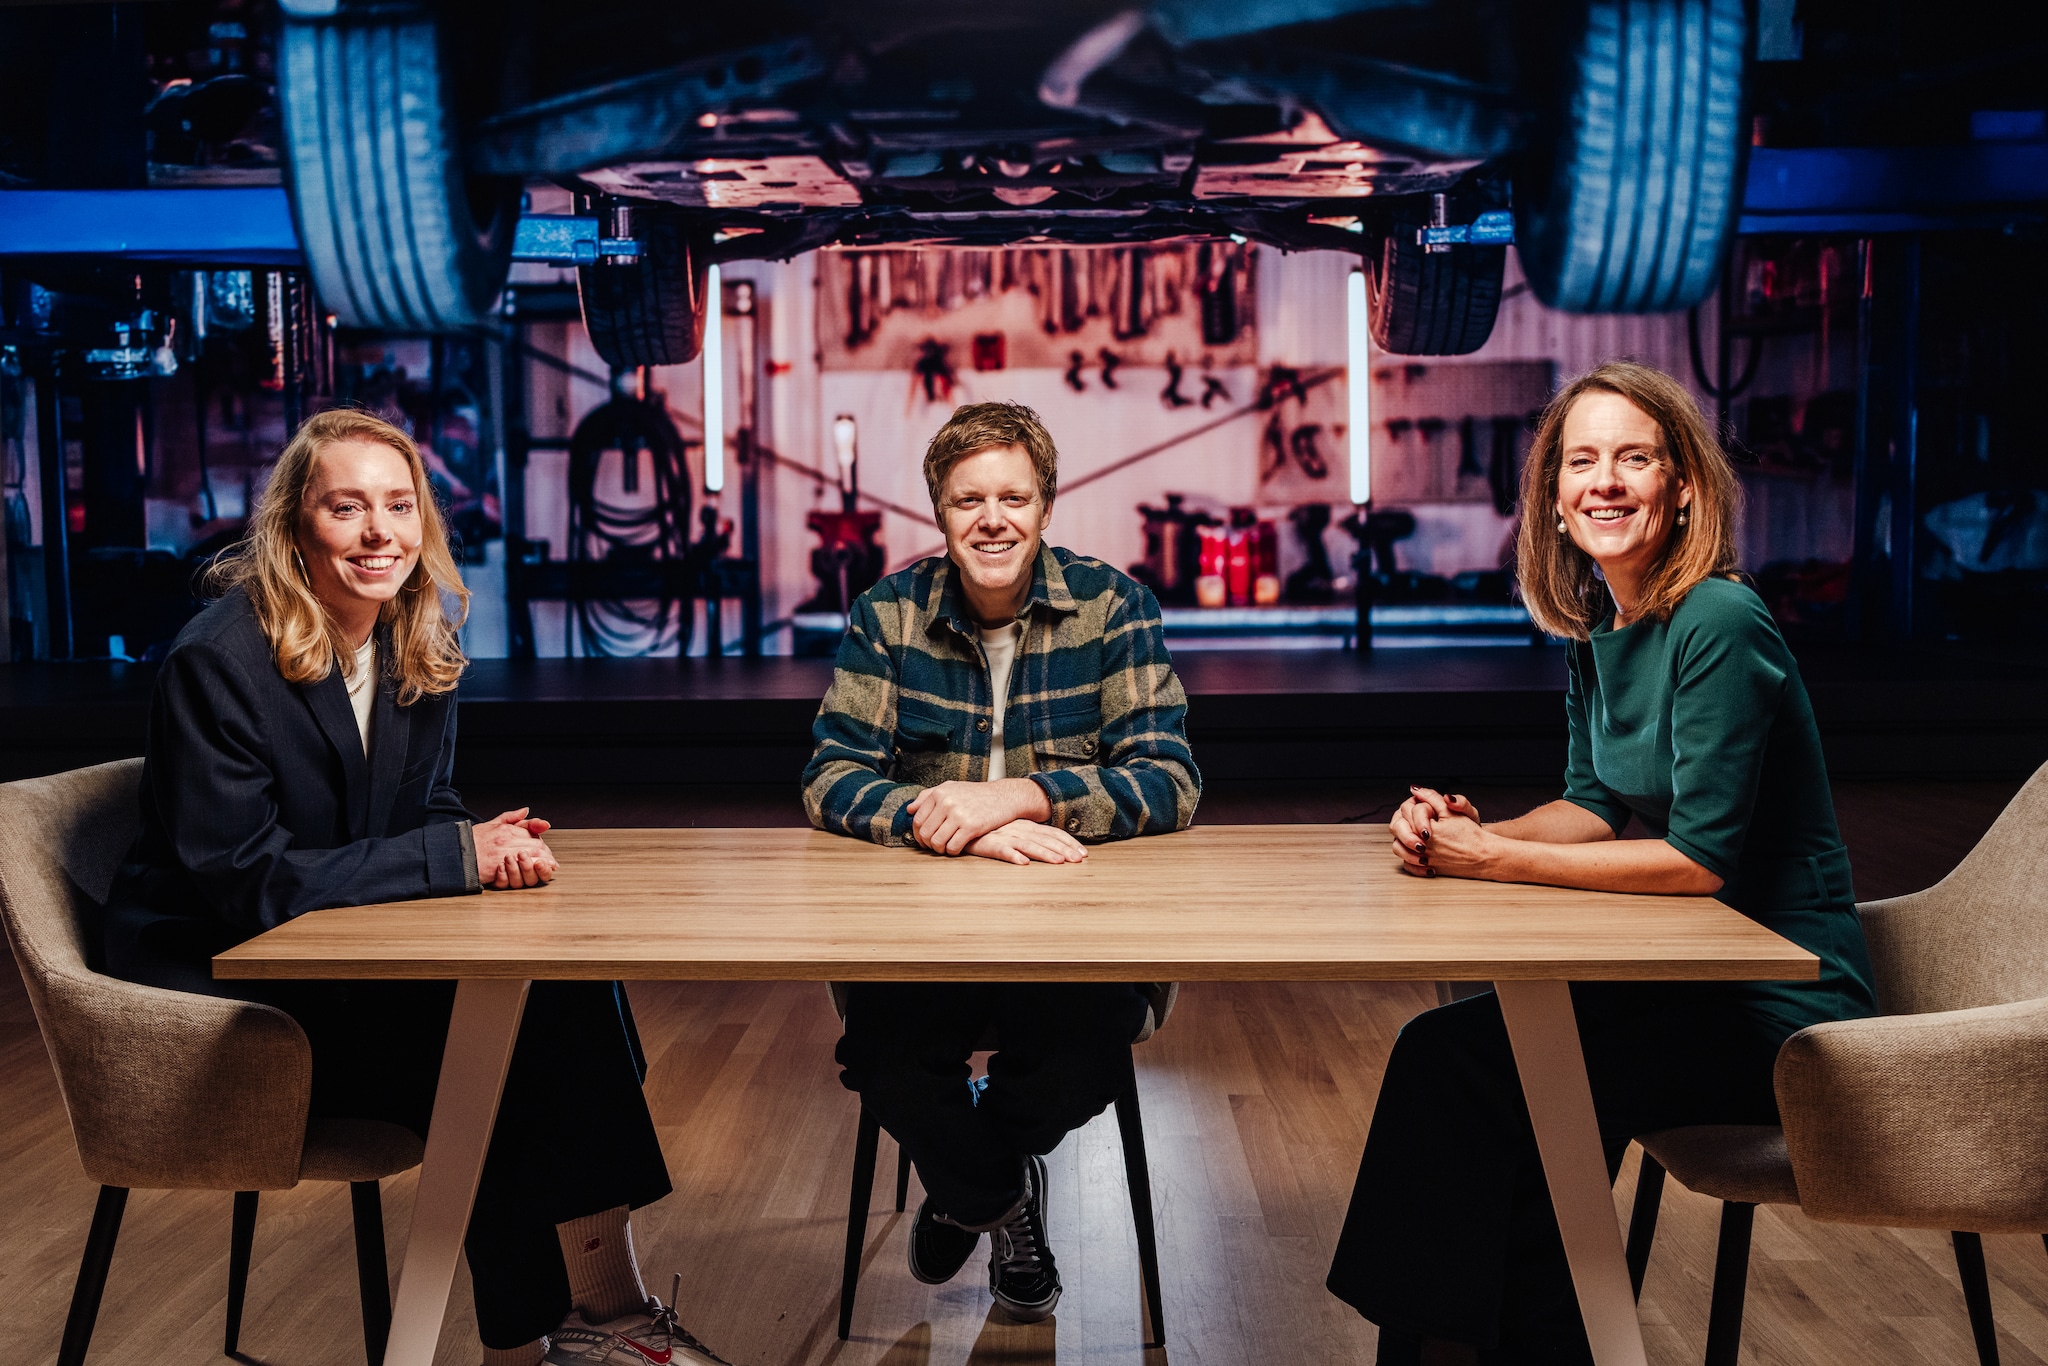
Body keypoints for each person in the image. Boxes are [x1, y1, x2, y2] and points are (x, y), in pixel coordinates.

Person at [103, 408, 731, 1366]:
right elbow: (246, 883)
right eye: (345, 507)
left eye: (398, 506)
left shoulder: (410, 641)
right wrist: (452, 860)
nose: (377, 533)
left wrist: (484, 851)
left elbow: (428, 807)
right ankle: (588, 1325)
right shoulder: (217, 661)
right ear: (292, 526)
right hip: (222, 995)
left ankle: (587, 1325)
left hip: (339, 954)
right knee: (508, 1047)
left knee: (557, 996)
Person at [1324, 361, 1878, 1365]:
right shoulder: (1600, 627)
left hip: (1775, 1013)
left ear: (1683, 487)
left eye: (1633, 457)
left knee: (1458, 1065)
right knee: (1500, 1102)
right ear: (1552, 495)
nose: (1604, 481)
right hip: (1689, 989)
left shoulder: (1718, 620)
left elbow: (1696, 862)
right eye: (1581, 461)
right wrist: (1461, 832)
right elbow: (1590, 806)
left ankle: (1429, 1351)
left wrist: (1488, 859)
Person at [802, 400, 1200, 1322]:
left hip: (1074, 933)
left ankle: (959, 1189)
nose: (992, 518)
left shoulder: (1113, 606)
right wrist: (962, 824)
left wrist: (1020, 795)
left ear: (1046, 505)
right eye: (967, 498)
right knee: (884, 1055)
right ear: (938, 512)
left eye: (1013, 496)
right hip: (920, 936)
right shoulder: (888, 615)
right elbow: (831, 778)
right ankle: (1002, 1201)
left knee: (1085, 1059)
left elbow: (1170, 778)